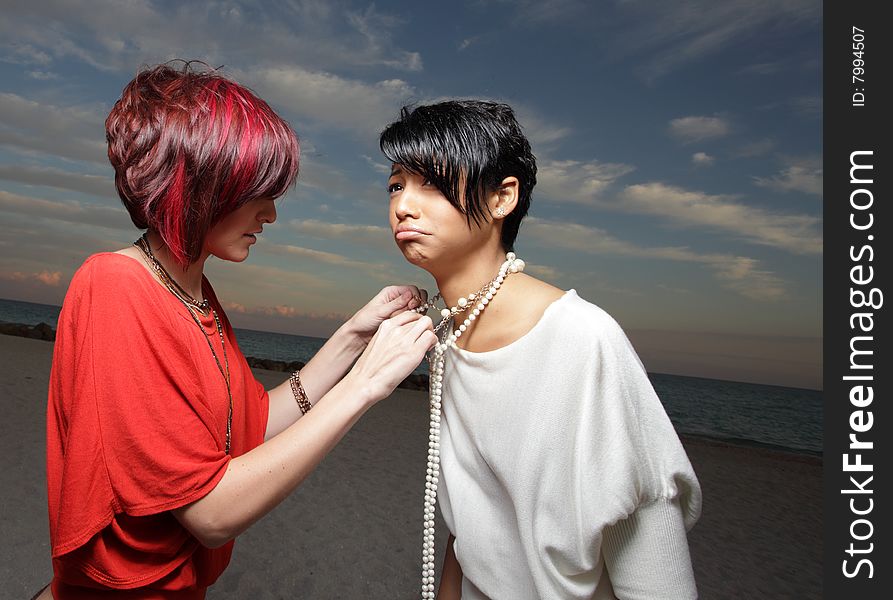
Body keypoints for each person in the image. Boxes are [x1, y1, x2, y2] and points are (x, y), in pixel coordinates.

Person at [39, 62, 436, 599]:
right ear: (201, 182)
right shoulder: (116, 286)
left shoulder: (192, 290)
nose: (271, 213)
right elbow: (210, 513)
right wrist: (366, 384)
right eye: (259, 191)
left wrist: (351, 339)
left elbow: (248, 425)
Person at [380, 100, 702, 600]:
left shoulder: (583, 337)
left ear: (502, 196)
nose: (403, 205)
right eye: (397, 184)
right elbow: (475, 525)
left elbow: (653, 558)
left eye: (431, 183)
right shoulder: (448, 332)